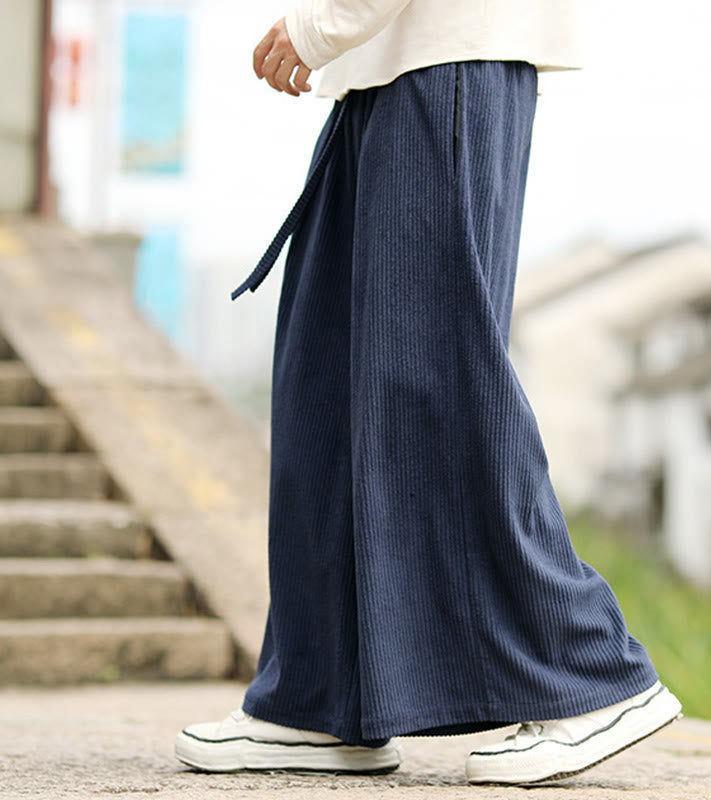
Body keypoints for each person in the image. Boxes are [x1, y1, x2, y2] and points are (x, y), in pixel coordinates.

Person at [175, 0, 682, 785]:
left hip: (446, 57)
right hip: (388, 65)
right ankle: (322, 702)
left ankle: (586, 675)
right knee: (330, 386)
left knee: (435, 378)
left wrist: (323, 24)